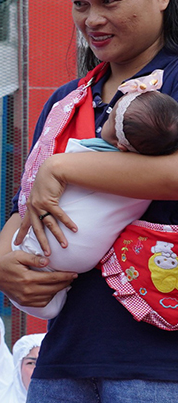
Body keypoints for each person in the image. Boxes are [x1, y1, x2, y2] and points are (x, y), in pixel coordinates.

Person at [0, 0, 178, 403]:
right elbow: (31, 204)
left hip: (161, 361)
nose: (92, 19)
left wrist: (68, 167)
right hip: (67, 351)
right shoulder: (69, 98)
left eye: (109, 1)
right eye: (79, 4)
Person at [11, 80, 178, 319]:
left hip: (51, 247)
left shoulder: (86, 151)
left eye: (109, 120)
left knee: (46, 302)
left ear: (121, 146)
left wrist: (55, 166)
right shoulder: (68, 95)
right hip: (82, 268)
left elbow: (36, 187)